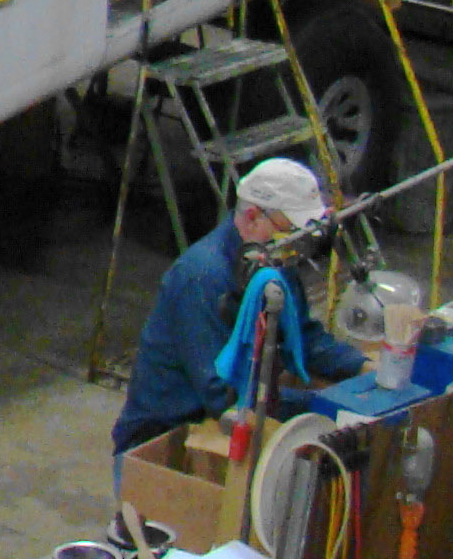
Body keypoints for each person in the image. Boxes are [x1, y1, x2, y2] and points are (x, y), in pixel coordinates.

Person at [112, 156, 364, 455]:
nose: (299, 244)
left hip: (224, 415)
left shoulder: (275, 260)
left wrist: (364, 367)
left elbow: (304, 339)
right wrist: (325, 405)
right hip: (164, 438)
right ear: (254, 216)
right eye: (291, 230)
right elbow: (223, 395)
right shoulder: (201, 278)